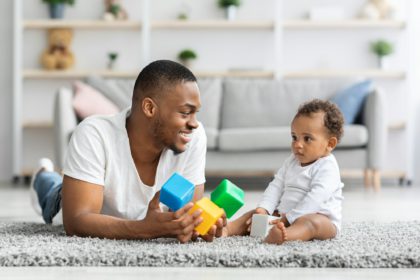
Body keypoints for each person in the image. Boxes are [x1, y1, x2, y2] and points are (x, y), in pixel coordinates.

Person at [30, 60, 226, 243]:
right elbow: (76, 221)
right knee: (51, 188)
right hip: (63, 199)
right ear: (149, 108)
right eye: (185, 113)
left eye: (195, 113)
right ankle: (42, 175)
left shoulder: (193, 136)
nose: (194, 123)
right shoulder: (94, 133)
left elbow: (189, 214)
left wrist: (202, 225)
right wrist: (145, 229)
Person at [254, 99, 344, 244]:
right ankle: (230, 228)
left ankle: (285, 235)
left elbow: (315, 199)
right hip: (285, 215)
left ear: (330, 144)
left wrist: (288, 219)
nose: (297, 144)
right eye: (294, 137)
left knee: (311, 223)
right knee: (255, 214)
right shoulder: (292, 161)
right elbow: (277, 185)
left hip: (321, 219)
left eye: (307, 139)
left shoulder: (328, 167)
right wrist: (264, 209)